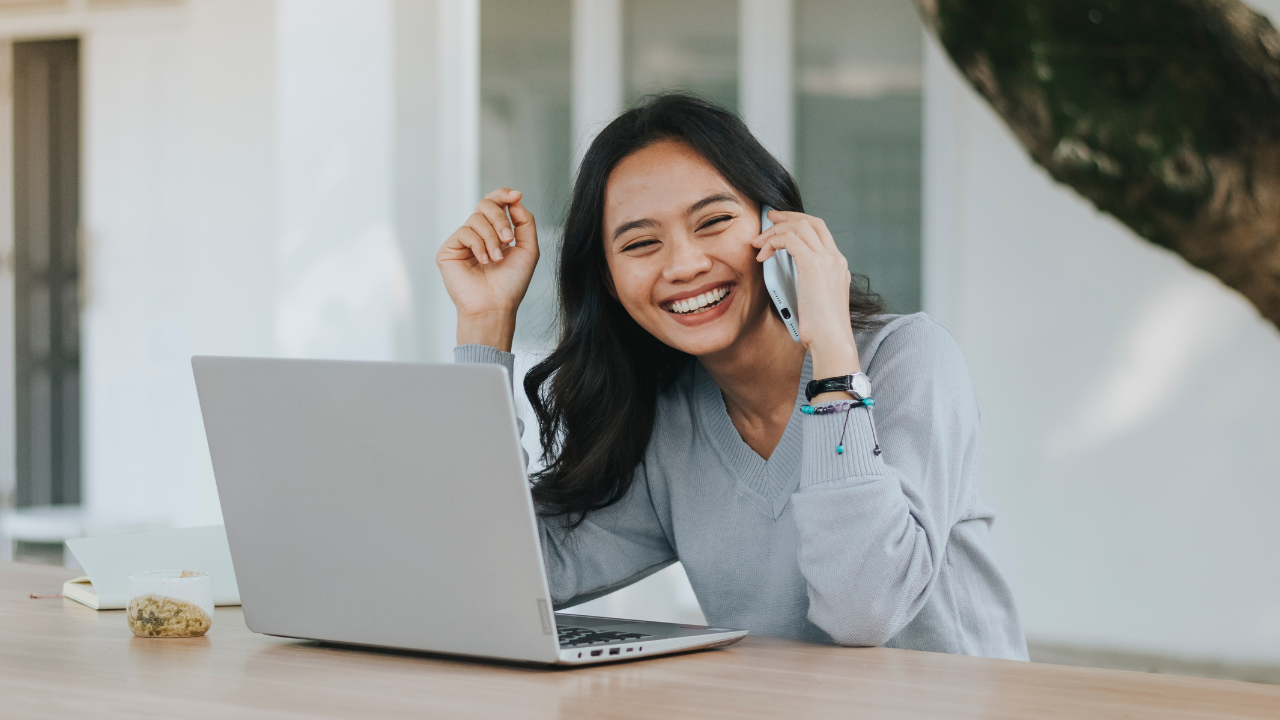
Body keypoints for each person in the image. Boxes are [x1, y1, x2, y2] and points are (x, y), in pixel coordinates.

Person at [437, 93, 1027, 659]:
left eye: (713, 221)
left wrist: (832, 356)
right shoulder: (670, 423)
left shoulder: (910, 360)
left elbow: (864, 609)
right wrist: (485, 325)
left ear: (778, 225)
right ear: (610, 281)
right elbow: (497, 576)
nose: (686, 265)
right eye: (641, 242)